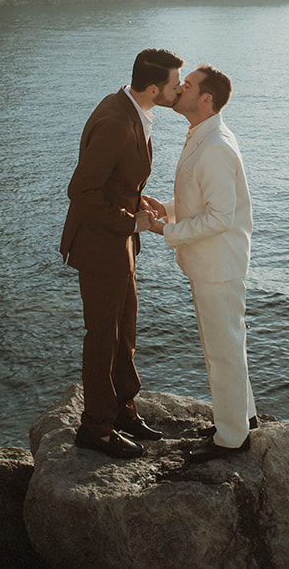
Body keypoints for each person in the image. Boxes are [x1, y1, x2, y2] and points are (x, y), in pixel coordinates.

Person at [60, 47, 183, 459]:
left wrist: (138, 199)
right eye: (174, 84)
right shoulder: (115, 121)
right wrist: (132, 221)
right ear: (154, 88)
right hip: (99, 244)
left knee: (124, 332)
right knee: (102, 337)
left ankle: (122, 410)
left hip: (118, 243)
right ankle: (95, 428)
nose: (178, 89)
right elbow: (82, 192)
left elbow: (114, 181)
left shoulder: (132, 110)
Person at [140, 64, 257, 462]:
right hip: (213, 265)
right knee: (226, 344)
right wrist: (168, 210)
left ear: (205, 99)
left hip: (219, 266)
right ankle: (243, 419)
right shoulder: (205, 136)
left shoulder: (216, 146)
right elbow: (202, 202)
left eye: (187, 85)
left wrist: (159, 229)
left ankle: (231, 438)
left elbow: (221, 217)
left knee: (222, 350)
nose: (180, 87)